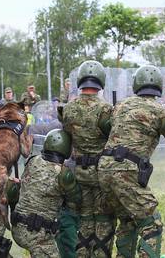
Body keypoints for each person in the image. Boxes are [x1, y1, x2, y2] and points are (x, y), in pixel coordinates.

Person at [98, 65, 165, 258]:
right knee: (151, 221)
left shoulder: (121, 105)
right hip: (126, 170)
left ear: (137, 84)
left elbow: (106, 126)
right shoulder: (160, 111)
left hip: (104, 169)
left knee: (128, 221)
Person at [59, 60, 114, 258]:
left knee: (83, 220)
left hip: (78, 173)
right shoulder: (106, 109)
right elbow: (112, 137)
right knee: (104, 220)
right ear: (101, 81)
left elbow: (67, 135)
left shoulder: (68, 109)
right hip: (100, 174)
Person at [11, 129, 81, 257]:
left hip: (17, 226)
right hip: (36, 234)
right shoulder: (63, 173)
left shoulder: (32, 161)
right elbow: (76, 200)